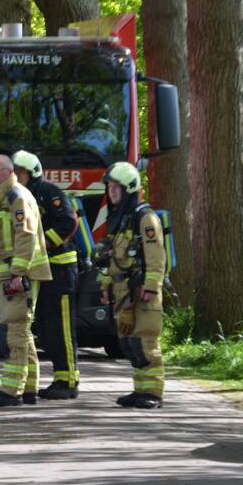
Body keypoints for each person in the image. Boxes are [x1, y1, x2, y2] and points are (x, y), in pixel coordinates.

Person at [0, 155, 51, 407]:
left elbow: (26, 235)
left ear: (10, 171)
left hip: (18, 277)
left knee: (14, 332)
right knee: (21, 331)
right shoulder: (1, 199)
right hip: (7, 276)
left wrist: (18, 274)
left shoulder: (16, 196)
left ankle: (12, 391)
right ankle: (30, 388)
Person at [12, 150, 81, 400]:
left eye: (19, 173)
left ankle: (69, 380)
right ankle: (60, 377)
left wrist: (41, 244)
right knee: (46, 328)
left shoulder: (48, 192)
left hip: (61, 270)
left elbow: (68, 223)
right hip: (41, 272)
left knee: (61, 328)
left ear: (32, 173)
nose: (16, 178)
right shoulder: (21, 196)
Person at [97, 161, 166, 409]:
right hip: (123, 292)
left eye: (117, 187)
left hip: (141, 292)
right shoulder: (120, 219)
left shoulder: (144, 218)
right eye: (110, 187)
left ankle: (153, 393)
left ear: (129, 188)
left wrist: (151, 286)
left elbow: (156, 257)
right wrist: (105, 283)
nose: (112, 191)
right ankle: (139, 390)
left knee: (145, 342)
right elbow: (112, 259)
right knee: (129, 343)